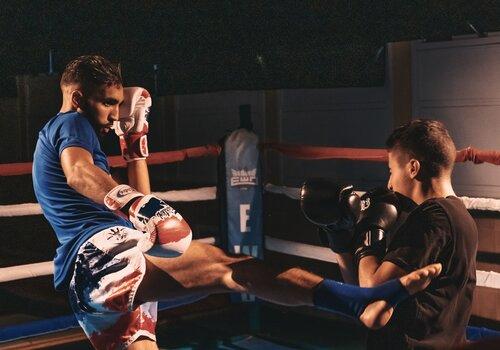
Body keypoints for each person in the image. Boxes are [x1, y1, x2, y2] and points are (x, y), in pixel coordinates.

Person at [32, 55, 442, 350]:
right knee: (232, 269)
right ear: (79, 97)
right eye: (107, 102)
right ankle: (358, 301)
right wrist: (131, 202)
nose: (113, 113)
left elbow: (134, 200)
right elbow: (79, 174)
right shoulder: (72, 125)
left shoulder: (71, 139)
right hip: (101, 261)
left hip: (90, 283)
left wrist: (135, 150)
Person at [302, 119, 478, 349]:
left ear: (413, 168)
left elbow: (373, 291)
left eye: (392, 170)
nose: (389, 183)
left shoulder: (434, 217)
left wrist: (370, 229)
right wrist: (341, 240)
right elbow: (361, 292)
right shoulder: (459, 216)